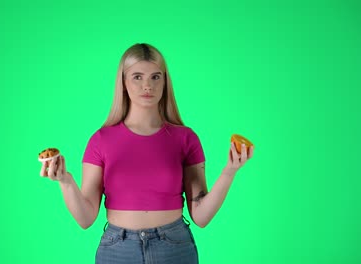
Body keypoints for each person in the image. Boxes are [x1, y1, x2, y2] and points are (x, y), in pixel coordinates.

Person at [40, 43, 254, 264]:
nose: (147, 86)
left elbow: (201, 216)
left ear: (165, 82)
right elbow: (85, 218)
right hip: (117, 250)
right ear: (123, 82)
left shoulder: (186, 138)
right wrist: (65, 181)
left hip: (175, 248)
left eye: (155, 77)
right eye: (137, 77)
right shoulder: (100, 140)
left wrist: (229, 172)